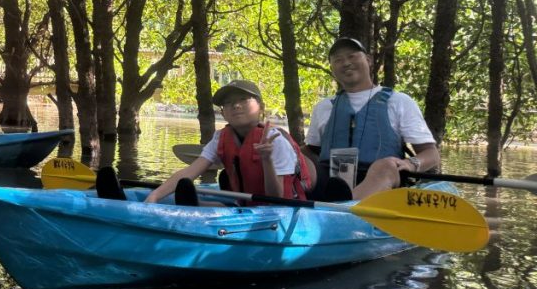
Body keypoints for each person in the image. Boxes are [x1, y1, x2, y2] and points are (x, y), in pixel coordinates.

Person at [304, 37, 440, 200]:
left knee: (386, 165)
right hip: (331, 182)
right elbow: (311, 151)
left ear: (368, 60)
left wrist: (411, 164)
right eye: (338, 60)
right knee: (289, 148)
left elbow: (431, 154)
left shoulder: (398, 101)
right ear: (332, 68)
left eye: (352, 56)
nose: (346, 63)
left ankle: (346, 208)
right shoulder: (323, 107)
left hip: (380, 183)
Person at [141, 79, 314, 206]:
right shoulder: (220, 137)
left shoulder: (275, 141)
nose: (236, 106)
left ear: (260, 108)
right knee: (200, 203)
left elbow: (276, 197)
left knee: (207, 206)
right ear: (223, 113)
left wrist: (267, 159)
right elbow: (190, 171)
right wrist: (156, 195)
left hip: (279, 210)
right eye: (228, 103)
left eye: (243, 100)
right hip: (246, 205)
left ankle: (190, 207)